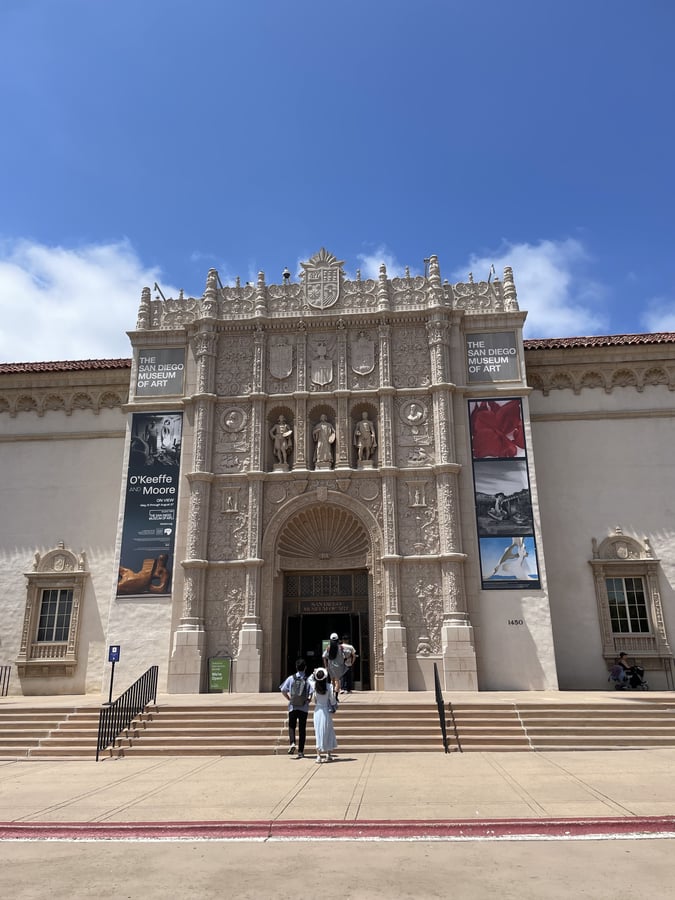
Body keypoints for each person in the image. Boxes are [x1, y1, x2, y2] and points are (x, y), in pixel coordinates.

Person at [279, 658, 312, 759]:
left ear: (296, 667)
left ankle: (292, 742)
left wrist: (289, 698)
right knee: (302, 729)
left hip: (293, 706)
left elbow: (283, 690)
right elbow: (311, 694)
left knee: (292, 726)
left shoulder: (291, 678)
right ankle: (301, 751)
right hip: (303, 707)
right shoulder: (308, 679)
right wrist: (308, 700)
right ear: (305, 667)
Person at [309, 667, 338, 763]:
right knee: (328, 731)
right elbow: (333, 700)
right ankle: (328, 754)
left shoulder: (314, 685)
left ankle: (318, 755)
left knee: (318, 732)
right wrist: (334, 705)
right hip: (326, 710)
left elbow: (309, 679)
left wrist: (314, 673)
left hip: (317, 710)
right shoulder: (329, 687)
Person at [323, 632, 346, 697]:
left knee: (332, 681)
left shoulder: (328, 648)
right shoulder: (340, 648)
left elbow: (324, 656)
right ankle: (336, 696)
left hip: (331, 667)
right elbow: (344, 656)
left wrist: (326, 666)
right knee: (337, 681)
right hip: (338, 667)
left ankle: (332, 695)